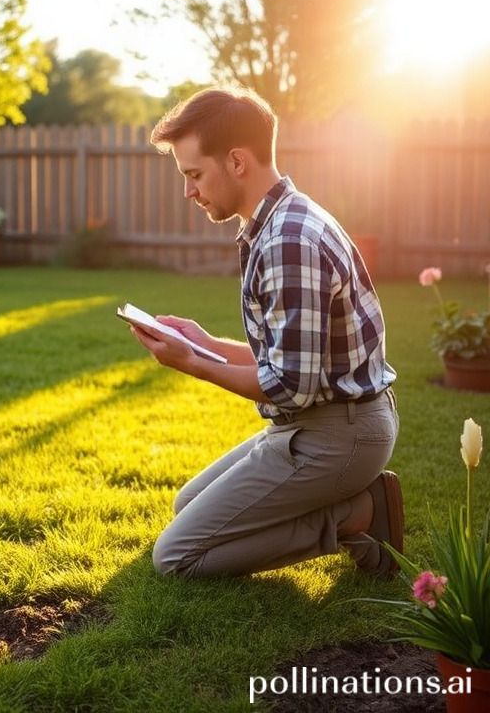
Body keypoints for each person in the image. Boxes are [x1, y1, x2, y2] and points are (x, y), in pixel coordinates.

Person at [129, 86, 402, 579]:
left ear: (236, 162)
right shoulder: (275, 223)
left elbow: (290, 387)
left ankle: (358, 514)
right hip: (315, 424)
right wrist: (205, 343)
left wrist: (190, 363)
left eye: (194, 174)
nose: (189, 191)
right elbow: (288, 362)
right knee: (186, 504)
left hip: (339, 436)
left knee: (176, 557)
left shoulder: (287, 240)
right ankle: (346, 502)